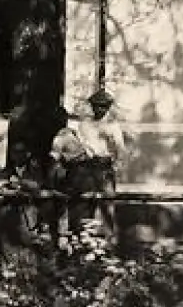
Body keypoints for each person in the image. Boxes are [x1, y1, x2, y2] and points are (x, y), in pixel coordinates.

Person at [75, 89, 126, 242]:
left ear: (108, 107)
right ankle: (86, 239)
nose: (100, 109)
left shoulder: (112, 125)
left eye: (104, 106)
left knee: (107, 202)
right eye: (96, 105)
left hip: (105, 166)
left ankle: (109, 238)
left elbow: (120, 149)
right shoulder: (84, 125)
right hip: (87, 166)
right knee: (86, 201)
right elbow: (80, 144)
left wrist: (116, 166)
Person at [47, 127, 103, 252]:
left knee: (67, 207)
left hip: (76, 180)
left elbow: (54, 160)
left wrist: (51, 183)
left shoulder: (60, 140)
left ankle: (71, 241)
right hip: (83, 180)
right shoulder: (79, 140)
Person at [0, 140, 48, 246]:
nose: (16, 156)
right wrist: (3, 183)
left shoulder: (34, 169)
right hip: (11, 204)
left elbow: (36, 184)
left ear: (27, 154)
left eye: (19, 152)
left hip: (29, 204)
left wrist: (20, 183)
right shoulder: (9, 169)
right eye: (14, 152)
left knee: (30, 220)